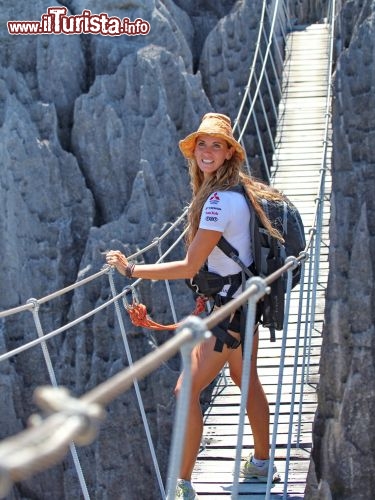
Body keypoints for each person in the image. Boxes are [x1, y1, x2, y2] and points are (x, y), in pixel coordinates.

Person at [106, 113, 283, 499]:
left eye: (215, 145)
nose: (206, 151)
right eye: (202, 144)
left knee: (185, 392)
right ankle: (262, 463)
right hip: (244, 306)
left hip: (227, 313)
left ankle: (183, 485)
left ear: (228, 154)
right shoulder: (238, 191)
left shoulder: (218, 202)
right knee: (245, 379)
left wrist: (132, 269)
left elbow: (188, 265)